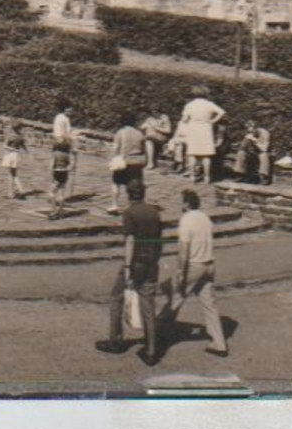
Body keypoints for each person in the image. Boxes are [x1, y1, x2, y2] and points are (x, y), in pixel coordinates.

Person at [97, 180, 165, 364]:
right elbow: (159, 240)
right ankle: (151, 350)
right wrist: (155, 259)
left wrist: (127, 267)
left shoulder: (130, 213)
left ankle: (115, 340)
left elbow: (130, 241)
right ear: (143, 193)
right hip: (151, 262)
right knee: (148, 305)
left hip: (135, 262)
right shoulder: (154, 212)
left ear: (128, 194)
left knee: (116, 298)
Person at [171, 189, 228, 356]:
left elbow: (184, 249)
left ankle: (156, 334)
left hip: (194, 265)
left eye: (181, 201)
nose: (180, 205)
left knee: (175, 298)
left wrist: (181, 270)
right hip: (209, 264)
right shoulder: (205, 218)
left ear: (186, 204)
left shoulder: (186, 220)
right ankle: (219, 343)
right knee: (209, 304)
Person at [179, 87, 226, 183]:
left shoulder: (190, 105)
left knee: (192, 154)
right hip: (206, 129)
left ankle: (192, 176)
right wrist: (213, 121)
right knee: (206, 155)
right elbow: (222, 112)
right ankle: (207, 177)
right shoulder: (209, 104)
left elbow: (184, 119)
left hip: (193, 128)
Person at [109, 112, 148, 214]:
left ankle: (114, 204)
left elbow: (115, 148)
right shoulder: (139, 133)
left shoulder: (120, 132)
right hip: (137, 162)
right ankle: (133, 205)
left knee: (116, 183)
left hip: (124, 161)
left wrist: (113, 159)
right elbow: (144, 149)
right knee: (134, 185)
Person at [0, 120, 28, 199]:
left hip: (10, 155)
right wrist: (25, 152)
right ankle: (20, 190)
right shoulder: (20, 136)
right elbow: (24, 147)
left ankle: (11, 193)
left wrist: (12, 149)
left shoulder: (10, 136)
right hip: (17, 156)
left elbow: (5, 146)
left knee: (11, 174)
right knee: (14, 174)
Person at [48, 139, 73, 219]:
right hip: (64, 172)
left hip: (57, 172)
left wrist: (51, 175)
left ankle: (53, 211)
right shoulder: (67, 154)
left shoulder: (55, 154)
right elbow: (70, 165)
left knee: (51, 193)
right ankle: (61, 211)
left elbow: (51, 165)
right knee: (61, 192)